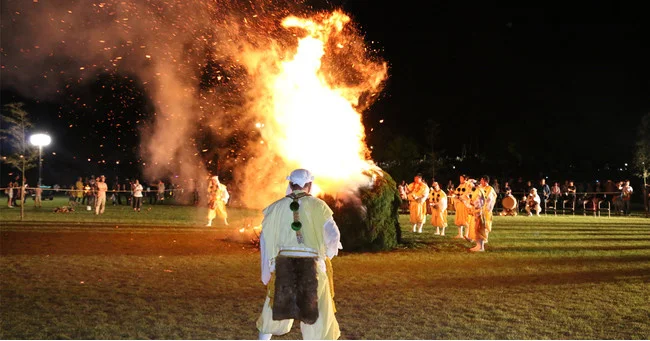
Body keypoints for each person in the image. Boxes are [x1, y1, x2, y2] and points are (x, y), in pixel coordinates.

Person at [257, 169, 342, 340]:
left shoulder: (276, 207)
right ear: (309, 185)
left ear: (290, 184)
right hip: (312, 265)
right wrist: (327, 256)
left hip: (285, 265)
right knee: (315, 315)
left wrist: (269, 267)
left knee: (273, 308)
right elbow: (334, 236)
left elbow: (265, 239)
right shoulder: (320, 206)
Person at [468, 175, 497, 252]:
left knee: (481, 227)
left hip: (483, 211)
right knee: (478, 227)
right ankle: (478, 244)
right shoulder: (479, 189)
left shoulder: (488, 189)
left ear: (485, 181)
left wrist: (475, 205)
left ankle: (481, 245)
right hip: (480, 210)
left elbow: (488, 200)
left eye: (482, 180)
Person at [453, 174, 472, 239]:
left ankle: (466, 234)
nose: (460, 179)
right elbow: (456, 192)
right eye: (460, 178)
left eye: (461, 178)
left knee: (466, 219)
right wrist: (456, 196)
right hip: (459, 204)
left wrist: (462, 197)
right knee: (459, 219)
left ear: (465, 179)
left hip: (465, 204)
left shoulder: (468, 184)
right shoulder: (459, 185)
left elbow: (469, 193)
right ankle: (460, 234)